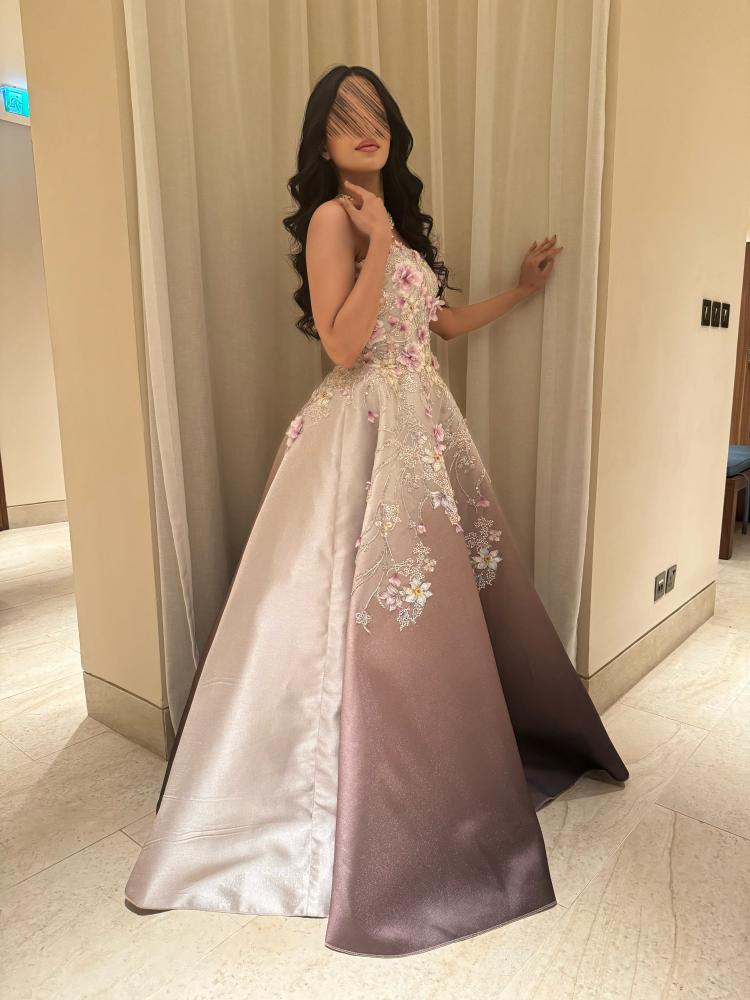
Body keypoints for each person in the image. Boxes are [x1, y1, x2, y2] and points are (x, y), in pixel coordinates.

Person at [124, 65, 628, 959]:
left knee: (433, 613)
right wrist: (381, 238)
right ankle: (342, 795)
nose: (366, 126)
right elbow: (344, 342)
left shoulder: (390, 222)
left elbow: (439, 326)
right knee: (355, 616)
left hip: (421, 424)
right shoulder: (334, 219)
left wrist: (522, 289)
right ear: (321, 140)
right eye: (344, 116)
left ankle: (430, 766)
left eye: (377, 113)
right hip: (359, 428)